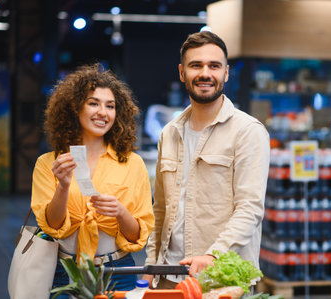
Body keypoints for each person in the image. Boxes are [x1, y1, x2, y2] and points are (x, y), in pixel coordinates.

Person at [143, 31, 270, 289]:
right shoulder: (169, 133)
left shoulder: (248, 132)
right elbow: (160, 209)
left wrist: (214, 254)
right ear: (182, 73)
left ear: (225, 73)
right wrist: (150, 264)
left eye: (214, 66)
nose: (205, 73)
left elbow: (250, 208)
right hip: (167, 276)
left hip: (222, 278)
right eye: (195, 65)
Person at [30, 63, 154, 296]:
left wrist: (120, 212)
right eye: (93, 103)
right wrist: (63, 186)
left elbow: (138, 235)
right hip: (64, 272)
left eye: (110, 106)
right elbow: (53, 227)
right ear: (75, 108)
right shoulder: (49, 163)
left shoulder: (132, 163)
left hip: (119, 272)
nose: (103, 112)